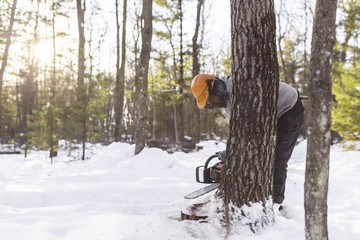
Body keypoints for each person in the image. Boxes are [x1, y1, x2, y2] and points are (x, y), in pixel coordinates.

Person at [191, 73, 305, 205]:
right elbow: (237, 132)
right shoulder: (225, 102)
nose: (212, 105)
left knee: (277, 158)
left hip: (289, 110)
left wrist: (231, 153)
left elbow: (248, 135)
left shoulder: (238, 93)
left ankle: (276, 203)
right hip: (271, 113)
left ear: (216, 89)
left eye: (210, 101)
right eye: (209, 105)